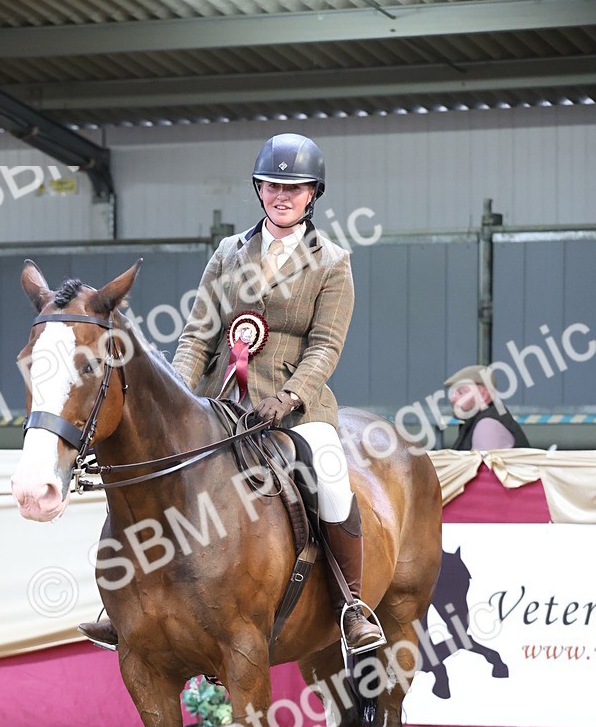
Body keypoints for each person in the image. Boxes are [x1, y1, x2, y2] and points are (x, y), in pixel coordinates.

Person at [80, 132, 383, 653]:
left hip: (293, 412)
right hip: (223, 404)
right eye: (271, 186)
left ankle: (352, 605)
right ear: (258, 189)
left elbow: (326, 347)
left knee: (331, 478)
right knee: (152, 475)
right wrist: (175, 396)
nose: (281, 196)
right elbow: (199, 333)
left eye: (294, 188)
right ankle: (124, 602)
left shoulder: (332, 260)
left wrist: (289, 397)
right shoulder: (228, 252)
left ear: (314, 193)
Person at [445, 364, 529, 450]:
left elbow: (485, 462)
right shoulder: (492, 417)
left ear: (484, 395)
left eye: (461, 392)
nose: (453, 399)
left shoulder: (487, 426)